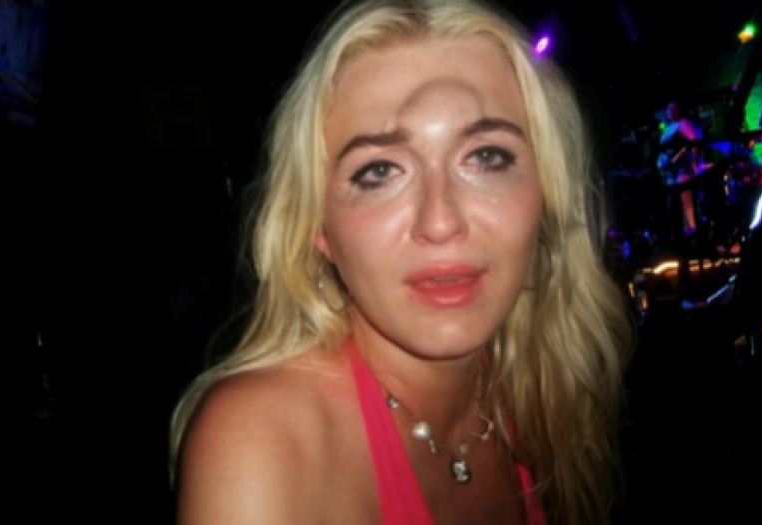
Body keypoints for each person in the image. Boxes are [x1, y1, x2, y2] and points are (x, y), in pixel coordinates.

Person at [170, 1, 631, 524]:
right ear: (317, 226)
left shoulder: (536, 392)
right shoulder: (261, 441)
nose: (441, 222)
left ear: (546, 196)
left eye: (486, 157)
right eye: (380, 170)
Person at [658, 101, 703, 236]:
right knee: (677, 205)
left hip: (683, 169)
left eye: (672, 108)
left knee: (686, 202)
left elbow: (694, 142)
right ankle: (685, 232)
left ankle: (693, 230)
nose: (668, 112)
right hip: (671, 172)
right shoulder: (670, 127)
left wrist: (693, 161)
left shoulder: (684, 124)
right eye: (668, 109)